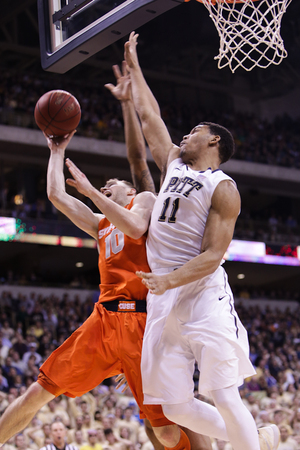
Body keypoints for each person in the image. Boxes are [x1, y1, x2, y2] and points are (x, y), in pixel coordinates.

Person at [0, 64, 207, 450]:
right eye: (105, 184)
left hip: (143, 323)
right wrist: (56, 150)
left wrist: (96, 191)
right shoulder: (100, 224)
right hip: (103, 319)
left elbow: (133, 219)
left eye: (115, 182)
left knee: (165, 428)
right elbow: (57, 197)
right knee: (38, 391)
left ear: (127, 189)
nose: (108, 183)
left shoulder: (143, 201)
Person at [121, 31, 281, 450]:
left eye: (193, 131)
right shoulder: (173, 163)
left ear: (213, 141)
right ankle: (259, 440)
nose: (184, 136)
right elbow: (149, 115)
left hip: (201, 292)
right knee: (174, 407)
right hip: (163, 296)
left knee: (223, 393)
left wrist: (170, 280)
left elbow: (213, 255)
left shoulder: (223, 187)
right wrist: (135, 67)